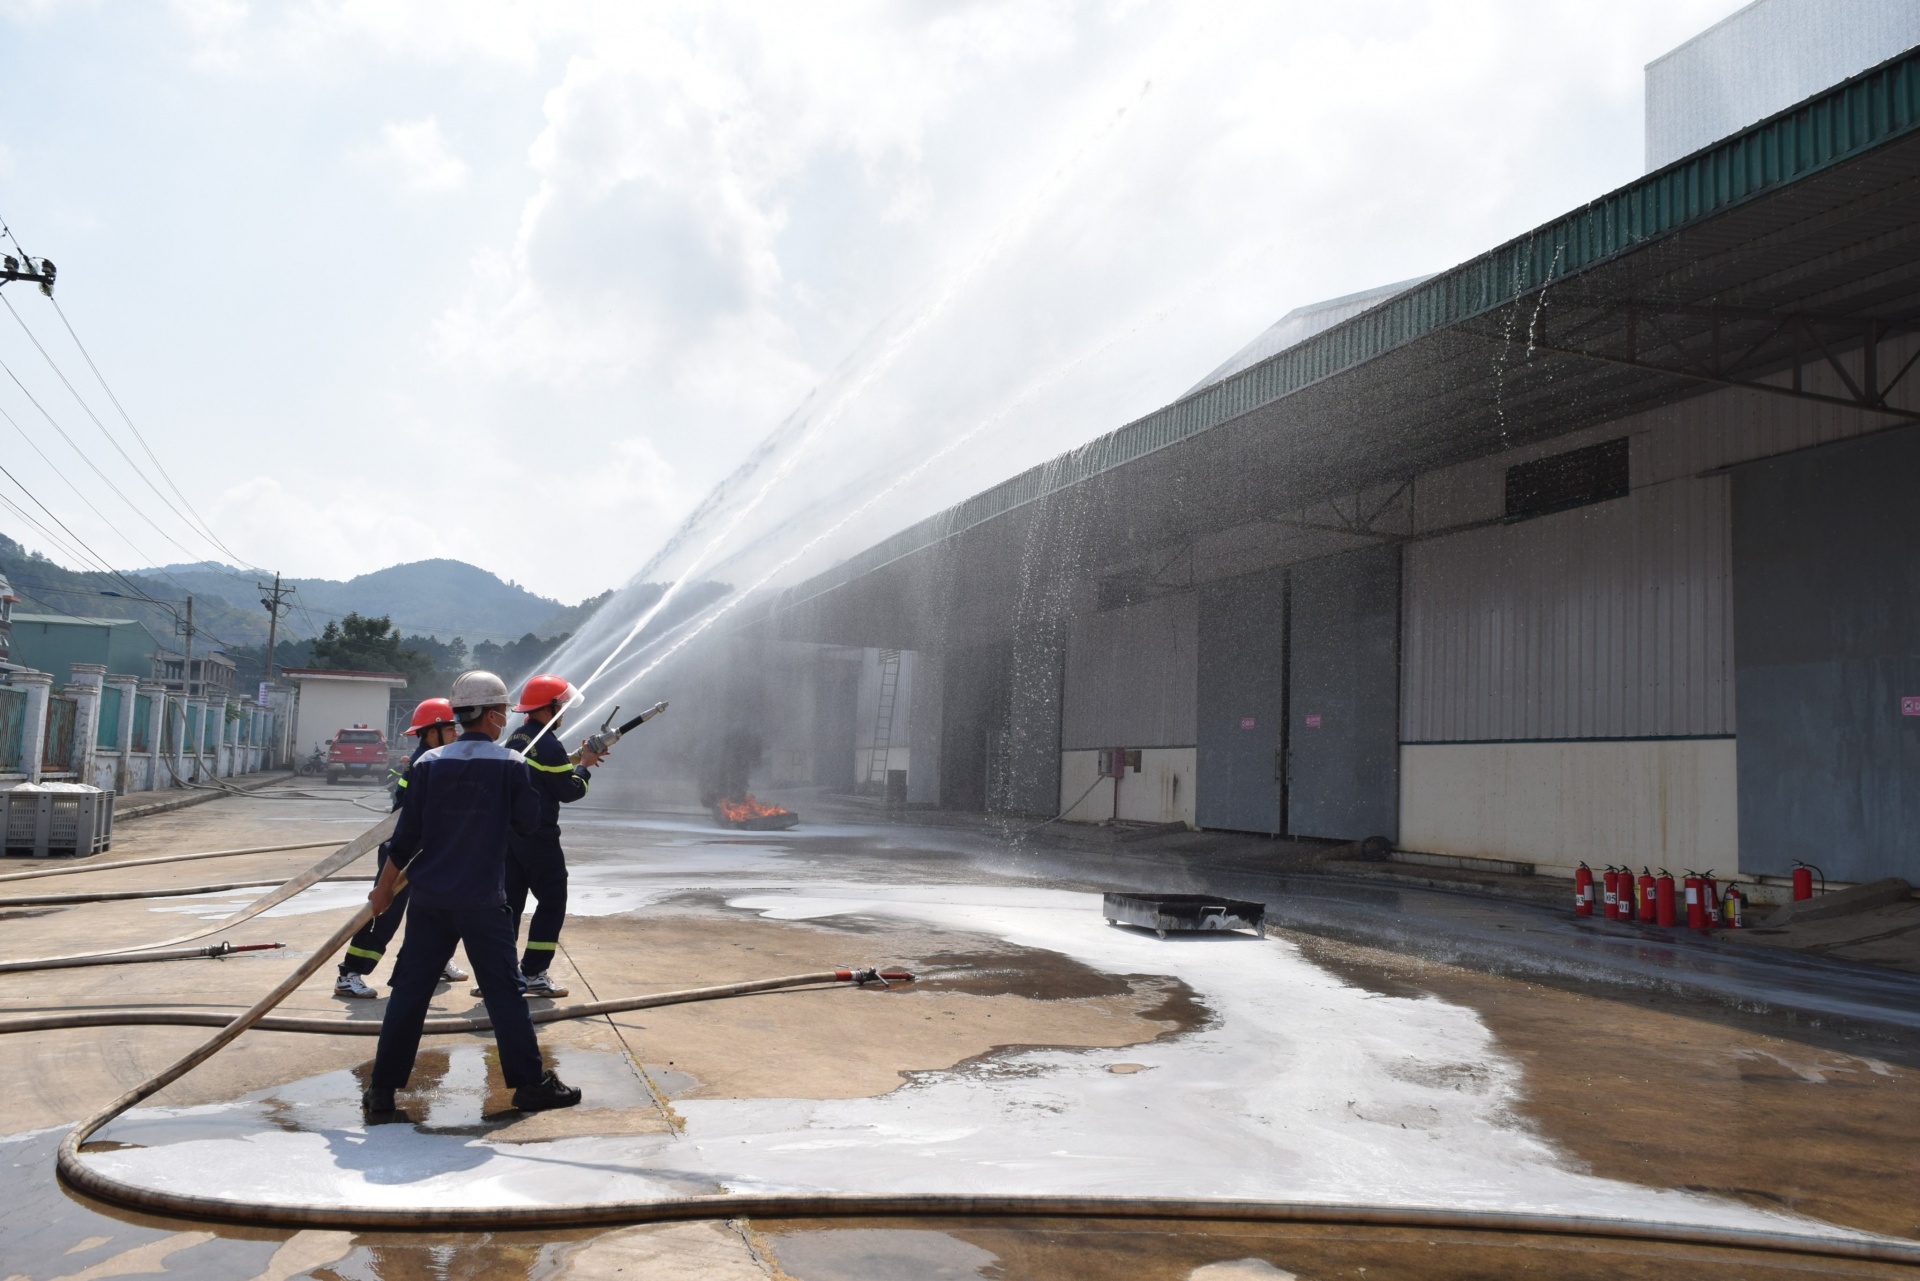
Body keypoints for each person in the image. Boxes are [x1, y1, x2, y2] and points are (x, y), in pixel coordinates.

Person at [362, 670, 581, 1115]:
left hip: (429, 901)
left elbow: (403, 839)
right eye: (502, 710)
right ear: (493, 714)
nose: (504, 718)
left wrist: (382, 891)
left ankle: (381, 1091)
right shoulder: (511, 765)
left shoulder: (428, 764)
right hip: (482, 901)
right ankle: (529, 1085)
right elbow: (528, 823)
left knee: (409, 994)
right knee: (504, 994)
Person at [335, 697, 468, 999]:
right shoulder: (425, 764)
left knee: (438, 912)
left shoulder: (435, 761)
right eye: (451, 729)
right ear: (432, 732)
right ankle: (349, 973)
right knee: (384, 914)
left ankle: (436, 962)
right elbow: (411, 816)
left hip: (428, 850)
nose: (456, 734)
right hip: (404, 850)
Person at [492, 673, 603, 999]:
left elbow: (540, 772)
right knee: (553, 901)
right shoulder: (549, 744)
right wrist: (585, 767)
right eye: (561, 706)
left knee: (510, 904)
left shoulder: (518, 737)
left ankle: (499, 973)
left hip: (510, 836)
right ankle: (534, 973)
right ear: (548, 707)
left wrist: (574, 759)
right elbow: (569, 791)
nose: (563, 712)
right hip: (539, 836)